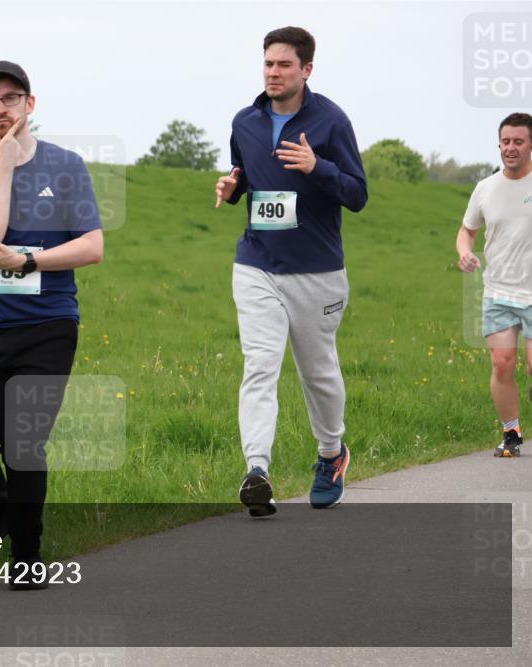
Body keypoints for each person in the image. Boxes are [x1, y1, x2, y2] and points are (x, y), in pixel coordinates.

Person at [0, 61, 104, 587]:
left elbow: (92, 246)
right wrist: (5, 168)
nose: (1, 109)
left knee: (23, 444)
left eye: (10, 99)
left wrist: (32, 261)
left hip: (49, 326)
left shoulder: (67, 167)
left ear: (29, 104)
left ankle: (27, 555)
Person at [214, 26, 368, 517]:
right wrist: (232, 187)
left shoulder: (330, 122)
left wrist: (316, 166)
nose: (273, 73)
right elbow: (248, 177)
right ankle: (256, 470)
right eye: (267, 64)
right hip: (257, 263)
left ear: (306, 69)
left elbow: (357, 195)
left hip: (317, 270)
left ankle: (331, 455)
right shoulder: (245, 122)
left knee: (317, 373)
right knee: (259, 364)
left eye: (283, 65)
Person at [457, 112, 532, 458]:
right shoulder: (485, 188)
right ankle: (511, 432)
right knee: (502, 363)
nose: (511, 148)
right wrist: (465, 252)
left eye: (518, 141)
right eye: (506, 141)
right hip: (499, 291)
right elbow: (467, 230)